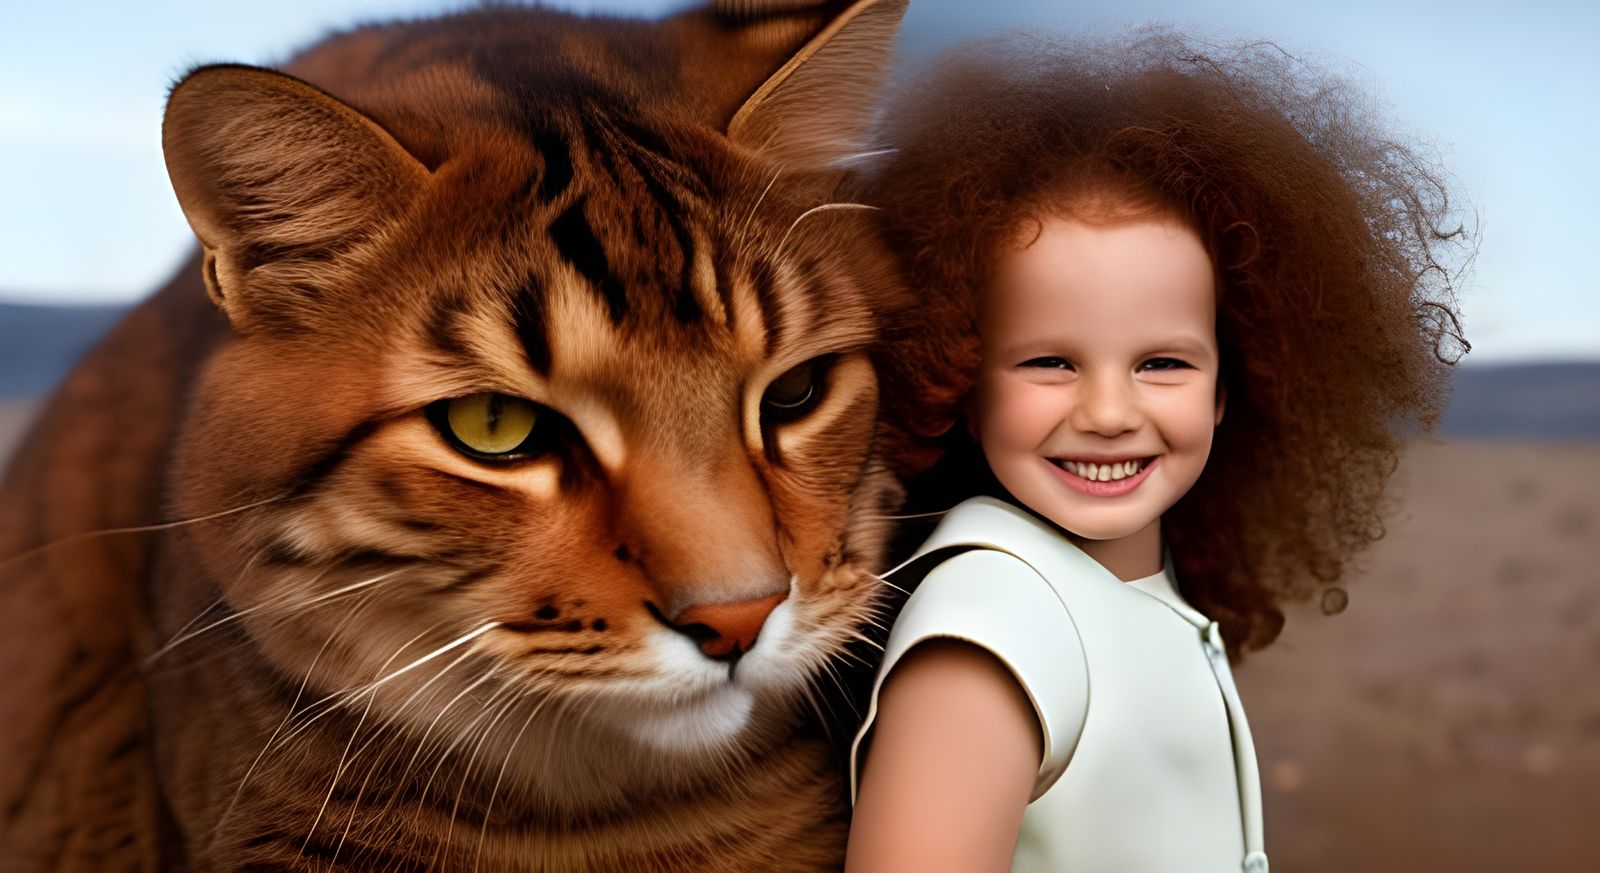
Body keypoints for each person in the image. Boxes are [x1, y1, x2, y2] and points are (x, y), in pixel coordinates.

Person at [848, 31, 1469, 872]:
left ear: (1226, 388)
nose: (1109, 412)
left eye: (1163, 363)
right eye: (1050, 361)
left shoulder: (1127, 587)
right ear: (957, 378)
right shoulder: (991, 625)